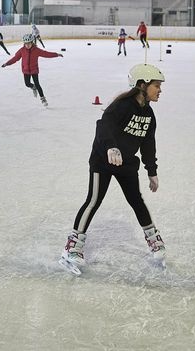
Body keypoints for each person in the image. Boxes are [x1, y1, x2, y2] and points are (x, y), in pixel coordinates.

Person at [60, 63, 166, 274]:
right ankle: (72, 247)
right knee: (93, 200)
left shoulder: (149, 115)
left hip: (126, 163)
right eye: (156, 85)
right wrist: (111, 147)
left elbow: (148, 143)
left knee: (137, 201)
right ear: (142, 85)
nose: (160, 90)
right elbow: (104, 125)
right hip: (103, 161)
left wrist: (151, 171)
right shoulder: (122, 105)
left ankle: (154, 241)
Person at [1, 33, 62, 106]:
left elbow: (46, 54)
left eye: (29, 43)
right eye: (26, 43)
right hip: (26, 70)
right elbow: (15, 58)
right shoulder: (22, 50)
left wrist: (56, 54)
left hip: (34, 70)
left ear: (32, 42)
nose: (27, 45)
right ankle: (33, 87)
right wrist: (7, 63)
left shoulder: (36, 50)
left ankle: (43, 98)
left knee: (37, 84)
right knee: (27, 84)